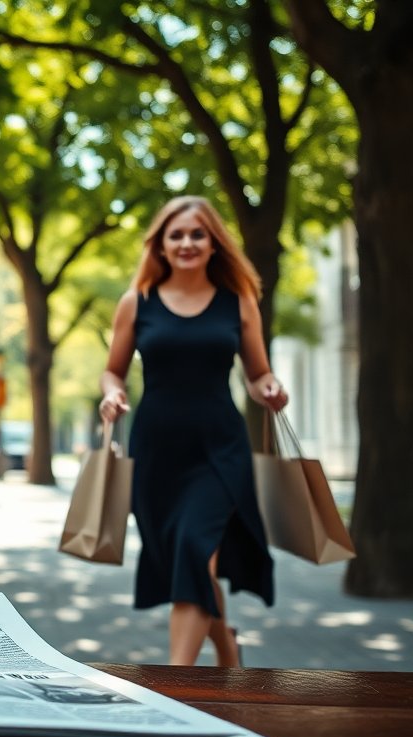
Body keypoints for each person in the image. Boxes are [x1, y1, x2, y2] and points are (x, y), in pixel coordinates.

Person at [99, 196, 288, 667]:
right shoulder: (136, 302)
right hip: (158, 454)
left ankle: (177, 685)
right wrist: (111, 395)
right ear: (161, 245)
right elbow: (113, 371)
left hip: (219, 450)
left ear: (213, 243)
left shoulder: (237, 302)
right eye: (176, 235)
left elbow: (256, 371)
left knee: (194, 548)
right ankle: (228, 650)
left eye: (197, 234)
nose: (186, 242)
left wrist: (270, 387)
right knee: (189, 559)